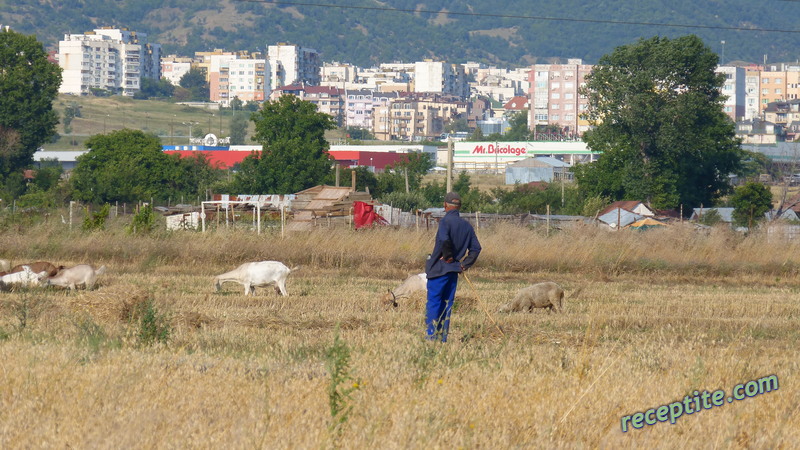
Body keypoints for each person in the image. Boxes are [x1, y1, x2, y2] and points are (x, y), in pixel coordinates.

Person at [424, 191, 482, 342]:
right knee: (447, 305)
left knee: (434, 303)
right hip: (454, 271)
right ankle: (442, 338)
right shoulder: (467, 226)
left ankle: (431, 337)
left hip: (439, 269)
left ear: (445, 205)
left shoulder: (445, 222)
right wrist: (464, 265)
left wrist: (448, 256)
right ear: (459, 207)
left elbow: (443, 239)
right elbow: (476, 249)